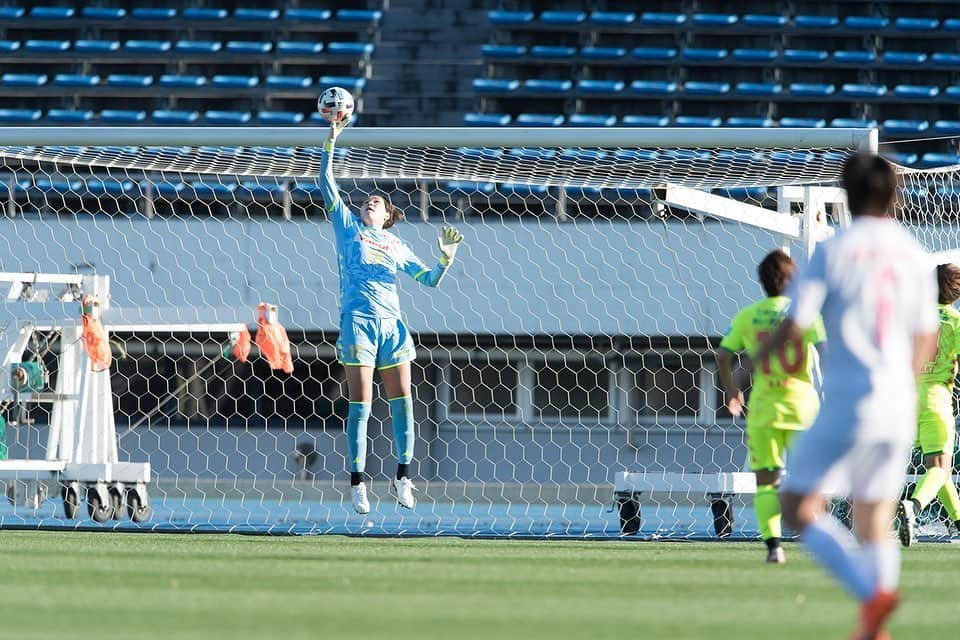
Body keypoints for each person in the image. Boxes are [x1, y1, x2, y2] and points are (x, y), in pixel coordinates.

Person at [755, 153, 938, 640]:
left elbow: (795, 324)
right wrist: (905, 383)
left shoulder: (835, 250)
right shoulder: (915, 254)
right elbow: (927, 336)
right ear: (895, 195)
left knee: (797, 508)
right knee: (875, 516)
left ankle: (870, 594)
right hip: (899, 401)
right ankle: (875, 628)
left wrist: (763, 355)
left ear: (846, 193)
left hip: (846, 399)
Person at [319, 119, 464, 514]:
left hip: (392, 328)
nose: (370, 201)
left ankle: (403, 477)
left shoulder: (397, 245)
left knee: (404, 403)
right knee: (361, 405)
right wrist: (331, 140)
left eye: (378, 202)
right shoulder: (348, 228)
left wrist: (445, 260)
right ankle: (358, 483)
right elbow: (325, 182)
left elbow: (429, 280)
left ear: (388, 216)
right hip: (358, 324)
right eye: (367, 200)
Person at [716, 249, 825, 564]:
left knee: (766, 482)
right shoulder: (806, 314)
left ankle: (774, 548)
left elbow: (723, 356)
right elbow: (826, 353)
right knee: (812, 480)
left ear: (762, 281)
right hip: (802, 407)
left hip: (764, 409)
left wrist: (733, 391)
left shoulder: (748, 315)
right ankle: (817, 539)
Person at [898, 263, 960, 546]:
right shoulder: (955, 322)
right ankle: (914, 506)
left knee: (936, 466)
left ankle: (958, 521)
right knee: (942, 468)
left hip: (909, 397)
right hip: (937, 398)